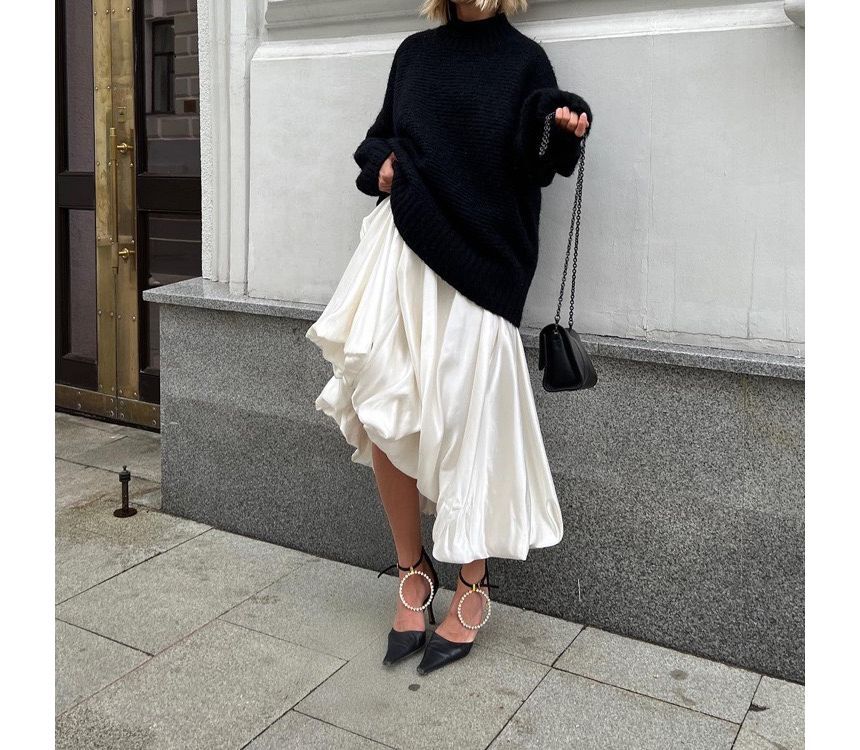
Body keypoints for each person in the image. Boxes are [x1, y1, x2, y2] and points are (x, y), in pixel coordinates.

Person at [305, 0, 592, 676]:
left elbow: (540, 161)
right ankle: (412, 572)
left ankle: (473, 582)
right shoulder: (415, 54)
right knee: (381, 407)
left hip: (484, 266)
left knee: (468, 425)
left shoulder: (524, 62)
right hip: (402, 250)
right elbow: (378, 140)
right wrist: (381, 167)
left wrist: (563, 128)